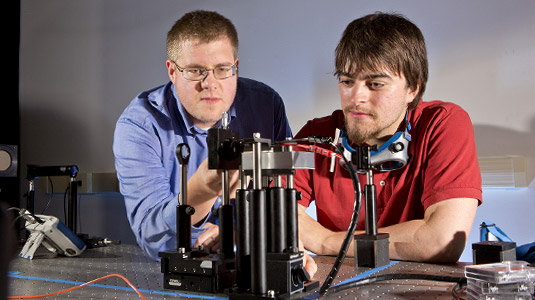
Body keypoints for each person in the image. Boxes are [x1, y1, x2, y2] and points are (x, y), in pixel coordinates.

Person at [294, 12, 482, 264]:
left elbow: (442, 240)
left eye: (375, 84)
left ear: (412, 88)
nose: (356, 97)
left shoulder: (445, 123)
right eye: (347, 81)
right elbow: (278, 215)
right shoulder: (313, 136)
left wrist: (324, 241)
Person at [113, 10, 292, 262]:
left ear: (236, 68)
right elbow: (152, 237)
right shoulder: (140, 126)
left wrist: (239, 234)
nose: (210, 83)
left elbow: (289, 204)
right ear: (172, 72)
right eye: (196, 71)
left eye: (222, 69)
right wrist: (200, 193)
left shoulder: (266, 105)